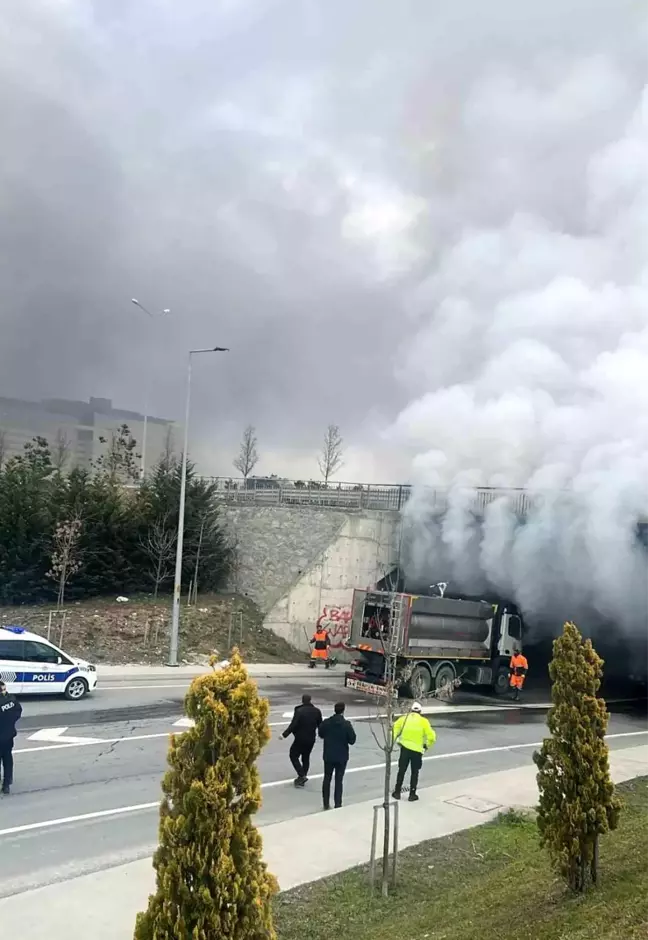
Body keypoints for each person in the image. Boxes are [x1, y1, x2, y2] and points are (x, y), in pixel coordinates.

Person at [391, 701, 436, 802]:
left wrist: (397, 741)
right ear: (420, 712)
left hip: (405, 749)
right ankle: (412, 794)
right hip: (417, 751)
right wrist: (426, 746)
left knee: (401, 770)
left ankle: (397, 792)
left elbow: (394, 729)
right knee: (414, 772)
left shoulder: (404, 719)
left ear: (410, 710)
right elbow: (432, 737)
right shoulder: (424, 722)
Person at [318, 701, 356, 810]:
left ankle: (325, 803)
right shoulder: (346, 724)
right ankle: (338, 803)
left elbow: (320, 733)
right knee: (339, 780)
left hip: (329, 754)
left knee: (327, 778)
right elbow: (352, 740)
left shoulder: (327, 722)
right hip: (341, 756)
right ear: (343, 710)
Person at [281, 693, 322, 787]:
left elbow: (293, 725)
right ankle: (302, 777)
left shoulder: (299, 711)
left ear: (302, 700)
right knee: (306, 757)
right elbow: (320, 725)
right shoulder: (317, 711)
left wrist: (284, 735)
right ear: (310, 700)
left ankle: (302, 775)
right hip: (311, 738)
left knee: (293, 755)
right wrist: (323, 735)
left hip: (300, 738)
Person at [0, 680, 22, 795]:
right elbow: (18, 712)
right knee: (8, 760)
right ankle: (7, 784)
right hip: (8, 736)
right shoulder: (11, 700)